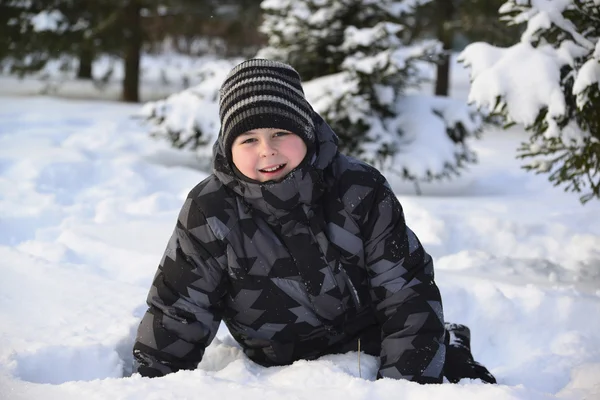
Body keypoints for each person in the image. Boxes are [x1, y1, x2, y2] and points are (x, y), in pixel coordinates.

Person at [132, 59, 496, 384]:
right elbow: (180, 307)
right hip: (275, 363)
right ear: (229, 148)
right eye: (248, 139)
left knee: (457, 375)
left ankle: (451, 344)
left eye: (280, 133)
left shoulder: (359, 189)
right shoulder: (210, 209)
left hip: (367, 342)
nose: (266, 150)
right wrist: (152, 382)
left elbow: (405, 288)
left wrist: (407, 388)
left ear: (306, 131)